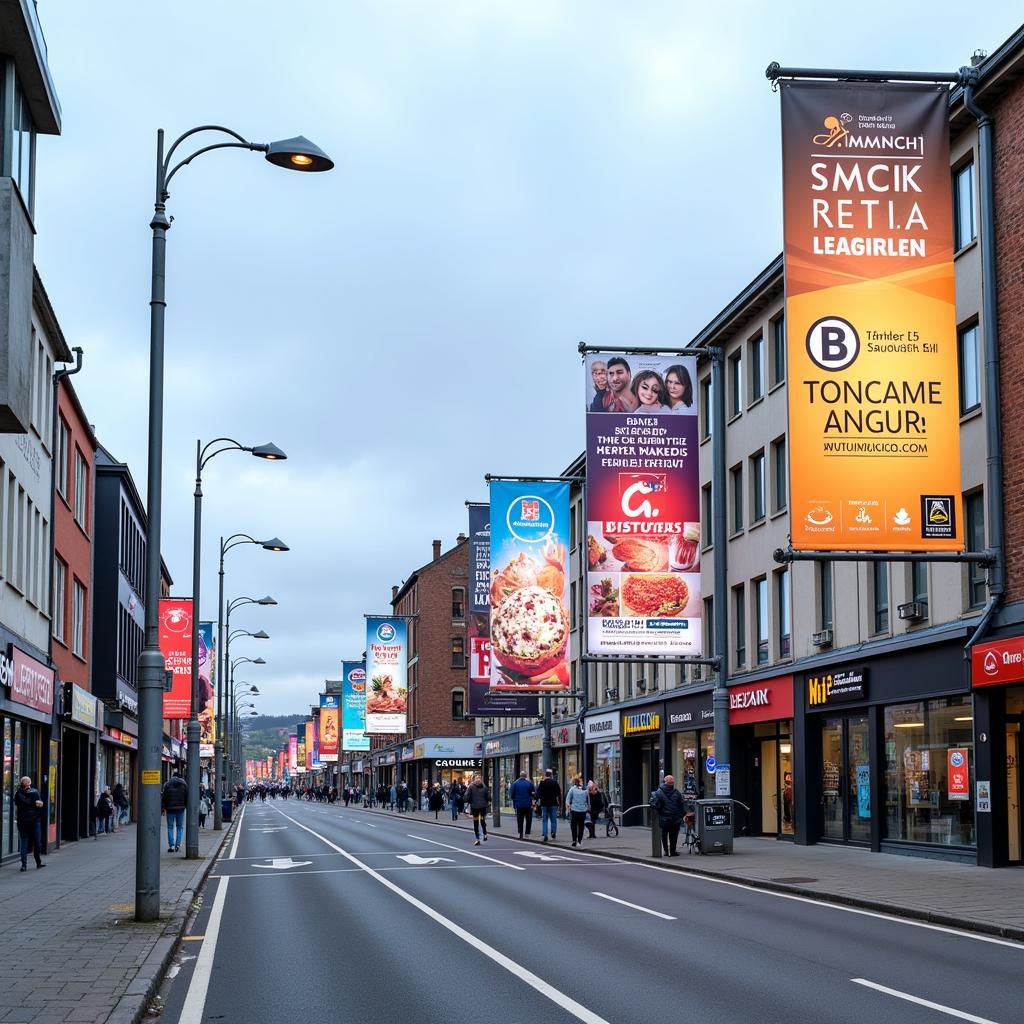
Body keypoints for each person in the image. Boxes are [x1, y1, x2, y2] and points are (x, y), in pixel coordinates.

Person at [650, 775, 687, 856]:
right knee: (673, 836)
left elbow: (654, 804)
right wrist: (682, 815)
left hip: (663, 818)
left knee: (664, 834)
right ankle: (672, 851)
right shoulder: (676, 792)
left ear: (664, 782)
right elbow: (681, 805)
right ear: (673, 783)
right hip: (675, 818)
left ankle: (666, 851)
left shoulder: (658, 792)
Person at [14, 776, 45, 871]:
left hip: (22, 821)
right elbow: (40, 806)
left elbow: (16, 805)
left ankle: (24, 865)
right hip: (34, 821)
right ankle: (38, 862)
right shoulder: (35, 792)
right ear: (29, 783)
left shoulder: (17, 794)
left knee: (24, 841)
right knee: (37, 842)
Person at [162, 771, 188, 853]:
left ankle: (171, 846)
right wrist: (186, 806)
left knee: (170, 827)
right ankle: (178, 845)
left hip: (170, 809)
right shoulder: (184, 785)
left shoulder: (167, 785)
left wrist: (163, 807)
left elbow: (164, 798)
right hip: (180, 808)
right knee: (180, 827)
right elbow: (186, 797)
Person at [536, 768, 561, 843]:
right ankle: (553, 832)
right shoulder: (555, 782)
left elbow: (538, 793)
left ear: (545, 775)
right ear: (551, 775)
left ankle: (545, 834)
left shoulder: (542, 783)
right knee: (553, 819)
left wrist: (537, 800)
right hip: (553, 803)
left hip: (544, 804)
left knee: (545, 820)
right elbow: (558, 793)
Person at [463, 775, 490, 845]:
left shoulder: (471, 787)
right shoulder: (484, 787)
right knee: (482, 820)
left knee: (476, 823)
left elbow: (466, 797)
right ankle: (485, 833)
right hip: (483, 807)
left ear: (474, 780)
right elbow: (489, 797)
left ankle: (477, 839)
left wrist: (468, 801)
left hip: (475, 807)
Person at [510, 770, 536, 839]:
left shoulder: (515, 784)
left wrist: (514, 803)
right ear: (526, 776)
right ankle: (527, 833)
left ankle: (520, 833)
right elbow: (533, 794)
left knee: (519, 820)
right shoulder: (529, 784)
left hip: (519, 805)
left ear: (520, 775)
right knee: (528, 820)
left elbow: (512, 795)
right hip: (528, 804)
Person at [565, 777, 589, 847]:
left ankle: (574, 840)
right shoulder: (585, 790)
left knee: (573, 826)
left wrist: (568, 807)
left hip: (574, 810)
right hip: (583, 811)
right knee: (581, 826)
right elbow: (588, 800)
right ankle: (579, 841)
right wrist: (587, 807)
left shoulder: (572, 789)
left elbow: (567, 799)